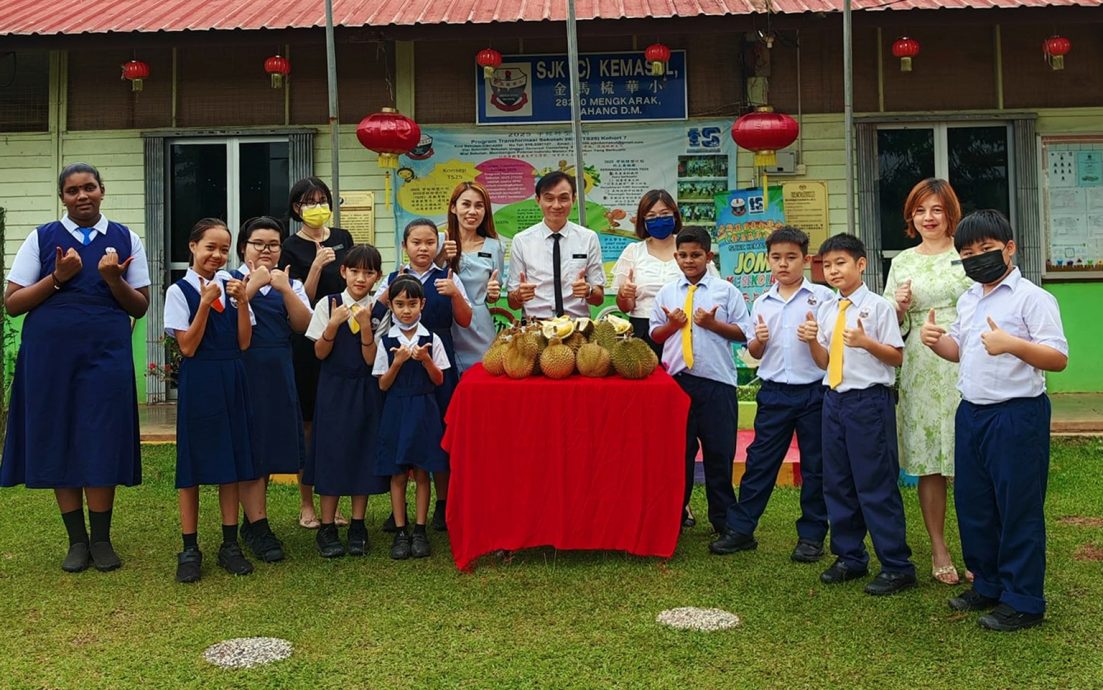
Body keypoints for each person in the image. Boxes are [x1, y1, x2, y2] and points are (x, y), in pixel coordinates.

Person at [921, 210, 1068, 631]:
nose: (976, 259)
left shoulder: (1032, 298)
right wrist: (938, 343)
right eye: (967, 253)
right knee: (975, 503)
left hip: (1016, 415)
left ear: (1009, 248)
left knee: (1017, 506)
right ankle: (987, 583)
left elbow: (1057, 357)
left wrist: (1013, 345)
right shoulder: (969, 299)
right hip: (972, 413)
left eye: (985, 250)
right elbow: (962, 352)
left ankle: (1024, 600)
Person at [1, 162, 150, 573]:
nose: (81, 196)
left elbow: (140, 304)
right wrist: (58, 277)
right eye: (72, 191)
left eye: (89, 188)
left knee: (100, 434)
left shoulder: (126, 238)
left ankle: (101, 540)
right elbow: (13, 303)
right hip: (50, 356)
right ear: (62, 197)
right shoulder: (43, 238)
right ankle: (76, 541)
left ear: (102, 191)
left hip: (105, 353)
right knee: (59, 434)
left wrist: (112, 280)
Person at [800, 233, 915, 595]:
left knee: (875, 483)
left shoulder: (879, 307)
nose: (834, 271)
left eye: (841, 263)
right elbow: (825, 362)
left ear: (861, 265)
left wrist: (867, 342)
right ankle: (850, 556)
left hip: (868, 402)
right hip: (833, 400)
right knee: (837, 481)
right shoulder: (826, 308)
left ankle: (897, 565)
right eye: (828, 265)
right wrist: (811, 342)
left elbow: (896, 357)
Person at [710, 226, 833, 561]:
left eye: (791, 257)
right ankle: (741, 530)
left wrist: (814, 337)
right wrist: (760, 340)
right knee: (760, 462)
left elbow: (833, 348)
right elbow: (755, 351)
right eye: (776, 258)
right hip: (775, 394)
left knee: (816, 466)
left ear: (805, 260)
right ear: (768, 261)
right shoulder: (762, 302)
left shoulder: (823, 298)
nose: (783, 264)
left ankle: (811, 536)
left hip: (814, 394)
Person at [882, 178, 973, 585]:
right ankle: (939, 547)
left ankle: (978, 549)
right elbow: (889, 321)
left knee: (970, 460)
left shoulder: (968, 252)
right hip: (919, 362)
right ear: (911, 216)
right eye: (920, 211)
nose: (928, 218)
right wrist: (899, 307)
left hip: (966, 357)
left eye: (936, 209)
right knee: (929, 461)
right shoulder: (902, 262)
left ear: (950, 212)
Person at [164, 218, 259, 583]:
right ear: (193, 247)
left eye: (223, 249)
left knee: (230, 463)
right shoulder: (180, 292)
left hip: (232, 376)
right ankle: (189, 547)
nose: (217, 256)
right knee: (192, 465)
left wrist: (242, 302)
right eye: (210, 248)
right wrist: (205, 305)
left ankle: (229, 544)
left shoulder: (232, 286)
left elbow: (244, 341)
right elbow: (187, 346)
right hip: (200, 379)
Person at [649, 226, 751, 543]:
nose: (689, 261)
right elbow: (655, 335)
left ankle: (723, 520)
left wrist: (712, 324)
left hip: (717, 383)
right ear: (675, 256)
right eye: (683, 255)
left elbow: (744, 333)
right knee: (678, 454)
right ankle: (675, 514)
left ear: (708, 256)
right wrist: (673, 325)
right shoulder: (667, 292)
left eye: (696, 255)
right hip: (678, 384)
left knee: (719, 454)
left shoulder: (725, 291)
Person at [376, 219, 472, 531]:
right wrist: (388, 292)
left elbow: (466, 320)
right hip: (399, 365)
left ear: (438, 245)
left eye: (430, 242)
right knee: (402, 433)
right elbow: (375, 315)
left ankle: (442, 505)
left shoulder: (448, 276)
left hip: (437, 361)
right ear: (404, 246)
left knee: (441, 434)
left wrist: (455, 293)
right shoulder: (394, 278)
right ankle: (398, 511)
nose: (423, 248)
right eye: (416, 242)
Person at [231, 216, 313, 563]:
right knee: (248, 447)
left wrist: (281, 287)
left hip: (278, 372)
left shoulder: (288, 283)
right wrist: (253, 284)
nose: (266, 250)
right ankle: (258, 525)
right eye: (258, 243)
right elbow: (227, 314)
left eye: (273, 244)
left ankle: (253, 521)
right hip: (242, 372)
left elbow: (305, 325)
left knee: (268, 446)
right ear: (244, 247)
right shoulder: (230, 280)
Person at [277, 177, 355, 530]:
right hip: (306, 343)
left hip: (344, 338)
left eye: (322, 199)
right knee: (309, 425)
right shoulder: (288, 247)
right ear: (296, 208)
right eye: (309, 201)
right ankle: (307, 503)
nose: (317, 206)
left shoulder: (343, 239)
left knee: (340, 420)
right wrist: (316, 267)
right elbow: (298, 300)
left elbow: (355, 283)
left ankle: (337, 503)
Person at [303, 245, 390, 558]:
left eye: (368, 273)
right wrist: (333, 323)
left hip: (365, 390)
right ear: (343, 272)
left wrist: (366, 325)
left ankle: (357, 524)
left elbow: (371, 360)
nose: (360, 278)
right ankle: (327, 525)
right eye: (355, 271)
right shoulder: (328, 304)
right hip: (333, 390)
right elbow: (319, 353)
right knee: (331, 452)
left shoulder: (381, 312)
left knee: (361, 451)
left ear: (377, 277)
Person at [374, 276, 451, 560]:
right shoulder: (387, 341)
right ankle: (400, 529)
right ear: (391, 306)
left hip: (424, 410)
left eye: (412, 304)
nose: (406, 311)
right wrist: (397, 363)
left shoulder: (432, 339)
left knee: (422, 472)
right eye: (400, 305)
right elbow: (382, 384)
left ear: (423, 304)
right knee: (397, 473)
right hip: (396, 409)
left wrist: (426, 360)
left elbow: (440, 378)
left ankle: (420, 529)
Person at [507, 171, 605, 319]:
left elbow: (599, 298)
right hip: (535, 328)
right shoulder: (521, 241)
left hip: (577, 327)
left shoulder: (588, 238)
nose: (556, 205)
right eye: (549, 198)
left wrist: (588, 291)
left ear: (573, 199)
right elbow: (512, 302)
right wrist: (519, 296)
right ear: (538, 200)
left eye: (563, 198)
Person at [441, 181, 504, 373]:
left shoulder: (494, 246)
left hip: (478, 326)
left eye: (479, 206)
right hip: (444, 324)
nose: (472, 211)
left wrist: (493, 293)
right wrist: (441, 257)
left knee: (482, 379)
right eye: (465, 204)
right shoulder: (439, 242)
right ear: (453, 207)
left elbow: (492, 294)